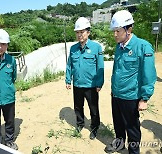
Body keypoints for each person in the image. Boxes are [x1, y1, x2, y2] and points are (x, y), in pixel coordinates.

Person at [105, 10, 157, 153]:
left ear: (129, 29)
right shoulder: (119, 46)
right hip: (116, 94)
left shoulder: (143, 46)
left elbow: (149, 74)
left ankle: (133, 151)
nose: (115, 34)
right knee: (118, 124)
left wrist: (145, 98)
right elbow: (117, 69)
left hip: (131, 96)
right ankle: (119, 143)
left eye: (118, 31)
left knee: (132, 128)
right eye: (114, 31)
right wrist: (113, 88)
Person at [65, 17, 104, 140]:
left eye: (82, 32)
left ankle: (94, 127)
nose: (79, 35)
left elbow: (100, 66)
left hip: (91, 85)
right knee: (78, 107)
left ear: (88, 32)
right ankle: (80, 124)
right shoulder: (73, 48)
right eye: (77, 32)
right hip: (77, 84)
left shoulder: (96, 47)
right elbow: (69, 65)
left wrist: (99, 83)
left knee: (93, 108)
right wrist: (68, 80)